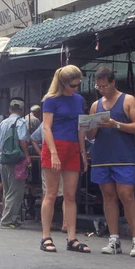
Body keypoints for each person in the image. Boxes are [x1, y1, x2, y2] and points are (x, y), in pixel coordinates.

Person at [86, 67, 135, 257]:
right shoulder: (96, 105)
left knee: (126, 195)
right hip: (101, 157)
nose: (102, 89)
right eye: (99, 86)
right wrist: (91, 125)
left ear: (113, 83)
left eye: (105, 86)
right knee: (108, 196)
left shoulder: (128, 100)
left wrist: (116, 124)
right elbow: (90, 134)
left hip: (123, 156)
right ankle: (114, 239)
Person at [40, 65, 89, 254]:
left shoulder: (79, 100)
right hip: (55, 145)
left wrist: (83, 152)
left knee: (70, 195)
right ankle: (46, 236)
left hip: (73, 147)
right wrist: (53, 152)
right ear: (63, 83)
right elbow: (46, 127)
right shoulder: (50, 100)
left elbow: (81, 127)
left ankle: (72, 238)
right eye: (73, 85)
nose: (76, 87)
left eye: (78, 84)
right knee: (51, 193)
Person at [0, 98, 31, 229]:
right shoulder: (21, 122)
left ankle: (11, 218)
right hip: (16, 160)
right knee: (16, 190)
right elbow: (22, 140)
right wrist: (27, 155)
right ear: (22, 111)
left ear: (10, 110)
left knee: (7, 189)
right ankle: (7, 220)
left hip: (3, 159)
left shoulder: (3, 123)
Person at [30, 122, 66, 232]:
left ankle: (47, 223)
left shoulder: (44, 123)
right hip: (62, 159)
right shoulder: (66, 121)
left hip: (48, 160)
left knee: (47, 194)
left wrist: (41, 153)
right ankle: (65, 223)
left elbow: (33, 138)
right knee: (66, 194)